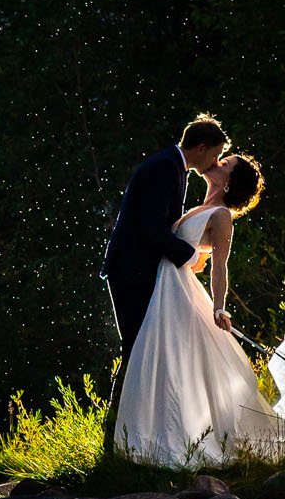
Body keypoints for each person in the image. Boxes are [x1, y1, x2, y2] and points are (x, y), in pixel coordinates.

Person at [108, 147, 285, 467]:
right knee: (158, 360)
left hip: (179, 295)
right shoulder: (197, 206)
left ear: (228, 182)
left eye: (225, 164)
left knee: (172, 363)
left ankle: (172, 440)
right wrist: (192, 256)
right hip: (166, 287)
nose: (217, 162)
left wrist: (220, 307)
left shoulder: (221, 216)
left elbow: (220, 267)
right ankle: (147, 436)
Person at [100, 114, 234, 362]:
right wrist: (190, 255)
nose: (215, 163)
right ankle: (125, 400)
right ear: (201, 148)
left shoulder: (174, 167)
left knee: (144, 347)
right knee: (137, 346)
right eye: (215, 155)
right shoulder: (165, 167)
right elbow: (150, 226)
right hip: (132, 268)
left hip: (141, 268)